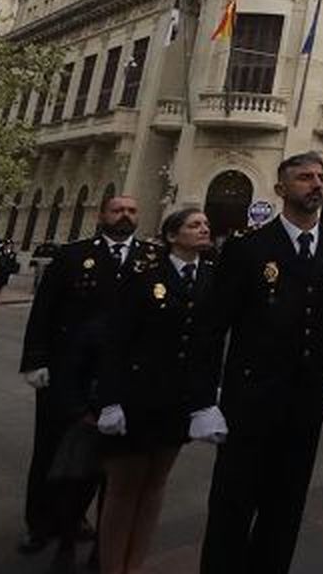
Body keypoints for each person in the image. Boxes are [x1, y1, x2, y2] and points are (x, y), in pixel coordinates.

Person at [199, 152, 323, 574]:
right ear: (282, 188)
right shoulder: (248, 248)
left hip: (306, 402)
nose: (317, 184)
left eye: (321, 177)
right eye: (305, 177)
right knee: (233, 506)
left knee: (285, 509)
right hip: (251, 399)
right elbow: (213, 327)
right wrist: (204, 399)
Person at [18, 194, 158, 565]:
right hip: (67, 372)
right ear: (102, 216)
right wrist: (35, 360)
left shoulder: (151, 258)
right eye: (118, 210)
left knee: (108, 457)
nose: (125, 215)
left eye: (131, 210)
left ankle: (82, 519)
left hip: (121, 376)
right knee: (51, 449)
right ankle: (40, 522)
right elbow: (44, 310)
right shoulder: (73, 255)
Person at [93, 207, 224, 574]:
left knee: (154, 487)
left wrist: (205, 401)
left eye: (205, 225)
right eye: (194, 224)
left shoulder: (212, 279)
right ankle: (111, 566)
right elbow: (117, 340)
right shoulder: (144, 275)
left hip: (178, 401)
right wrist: (110, 400)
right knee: (122, 490)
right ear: (171, 235)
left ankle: (133, 566)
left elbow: (210, 345)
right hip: (137, 397)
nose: (203, 229)